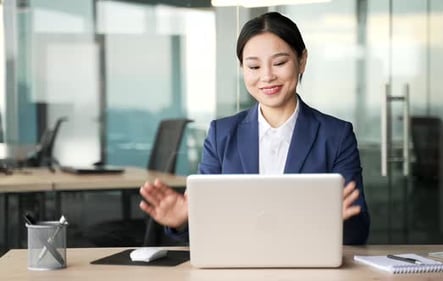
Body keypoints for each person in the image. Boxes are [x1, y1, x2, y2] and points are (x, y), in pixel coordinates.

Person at [140, 11, 370, 245]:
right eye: (254, 66)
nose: (267, 76)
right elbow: (207, 227)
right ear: (242, 69)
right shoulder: (222, 134)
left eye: (279, 63)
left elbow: (358, 231)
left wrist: (333, 220)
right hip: (236, 266)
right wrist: (182, 220)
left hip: (308, 266)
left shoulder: (336, 135)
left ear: (302, 60)